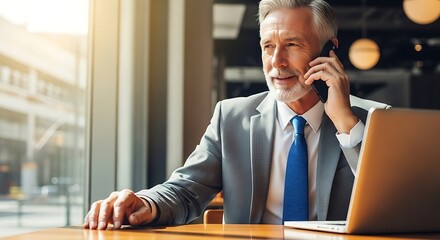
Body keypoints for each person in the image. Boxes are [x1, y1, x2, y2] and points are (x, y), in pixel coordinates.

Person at [84, 0, 390, 230]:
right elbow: (185, 192)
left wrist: (345, 124)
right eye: (268, 46)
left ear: (329, 51)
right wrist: (146, 202)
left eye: (292, 45)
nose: (276, 62)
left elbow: (394, 207)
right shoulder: (230, 117)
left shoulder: (376, 121)